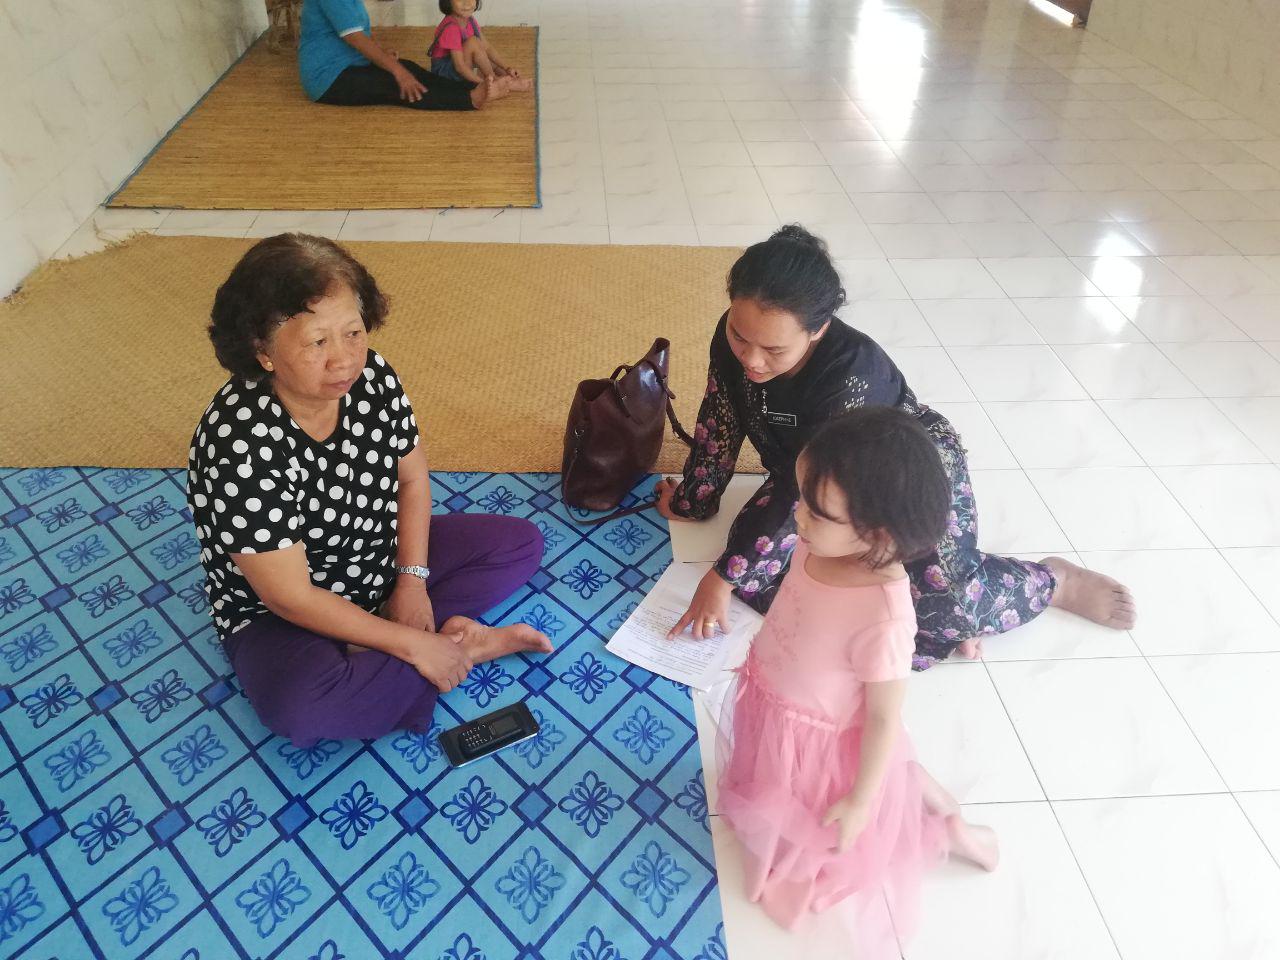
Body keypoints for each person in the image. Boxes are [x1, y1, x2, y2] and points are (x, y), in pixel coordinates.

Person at [659, 224, 1136, 669]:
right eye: (740, 337)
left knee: (950, 600)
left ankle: (1051, 581)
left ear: (818, 329)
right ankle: (946, 600)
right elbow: (719, 419)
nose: (752, 360)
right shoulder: (736, 336)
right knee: (766, 585)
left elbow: (801, 492)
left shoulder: (851, 374)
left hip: (906, 474)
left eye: (774, 351)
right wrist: (694, 500)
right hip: (811, 481)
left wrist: (721, 577)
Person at [187, 233, 551, 746]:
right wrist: (410, 643)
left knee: (519, 544)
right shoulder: (237, 441)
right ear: (262, 351)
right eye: (317, 342)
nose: (344, 360)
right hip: (283, 613)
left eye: (353, 332)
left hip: (374, 562)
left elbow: (412, 478)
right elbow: (289, 597)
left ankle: (387, 653)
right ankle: (457, 648)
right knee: (307, 712)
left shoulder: (372, 376)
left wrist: (411, 583)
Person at [716, 410, 998, 940]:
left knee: (835, 823)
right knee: (780, 796)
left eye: (818, 512)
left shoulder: (884, 615)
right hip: (778, 702)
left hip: (823, 741)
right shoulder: (817, 543)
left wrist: (861, 801)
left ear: (878, 532)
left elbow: (884, 720)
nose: (798, 518)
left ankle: (948, 832)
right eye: (802, 499)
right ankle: (931, 811)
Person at [298, 0, 513, 111]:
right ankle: (470, 99)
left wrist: (384, 55)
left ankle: (475, 87)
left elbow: (359, 30)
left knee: (409, 67)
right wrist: (398, 72)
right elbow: (354, 38)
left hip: (351, 63)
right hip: (327, 78)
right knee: (397, 82)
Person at [428, 0, 532, 90]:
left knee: (487, 56)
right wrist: (482, 83)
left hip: (459, 63)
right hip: (445, 74)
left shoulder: (470, 20)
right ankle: (495, 82)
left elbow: (487, 47)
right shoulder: (451, 28)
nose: (467, 3)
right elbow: (459, 67)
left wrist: (507, 68)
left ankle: (508, 77)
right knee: (473, 42)